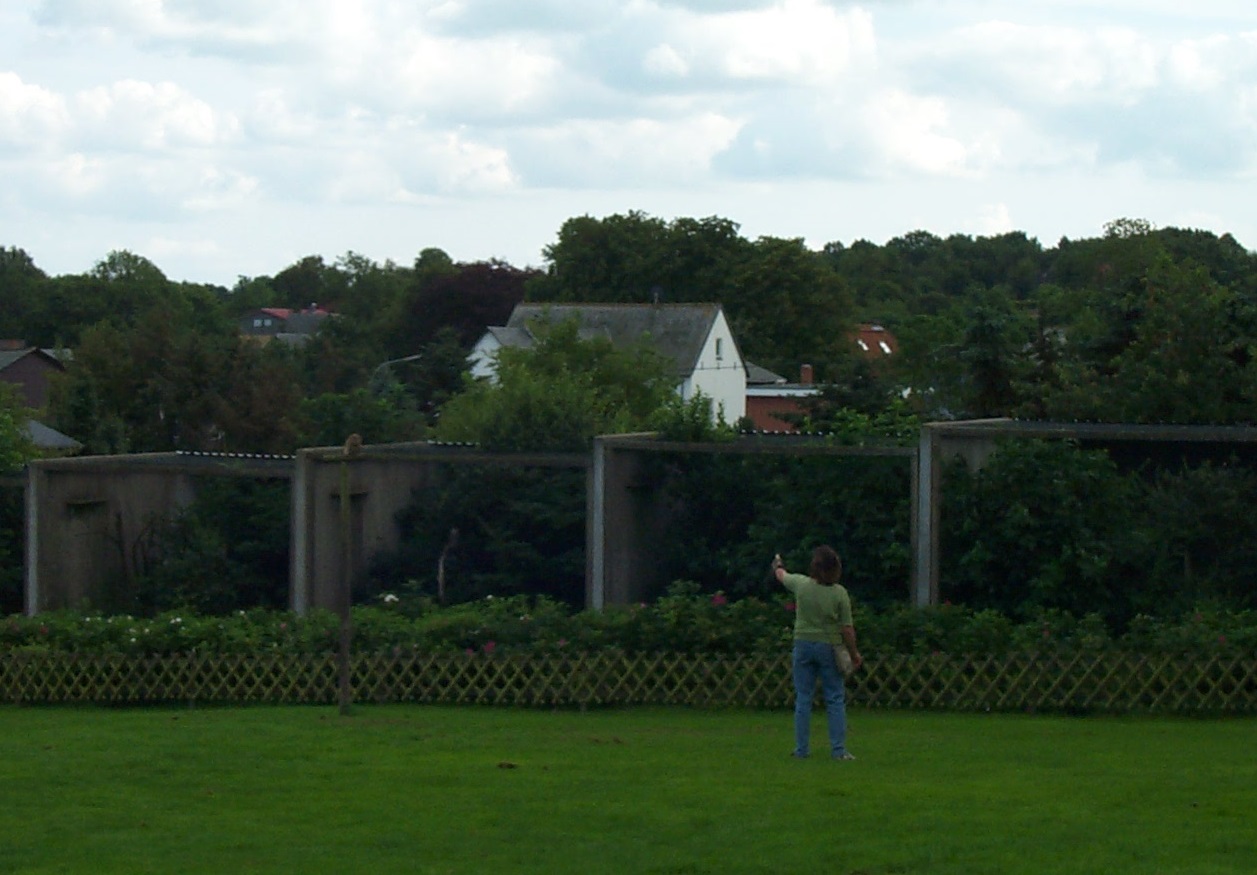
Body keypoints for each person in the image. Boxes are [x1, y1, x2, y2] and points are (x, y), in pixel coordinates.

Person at [773, 545, 862, 760]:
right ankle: (838, 750)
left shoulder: (802, 585)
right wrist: (854, 653)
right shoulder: (839, 593)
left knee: (803, 697)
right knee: (834, 697)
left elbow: (782, 576)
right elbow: (847, 629)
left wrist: (778, 564)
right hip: (828, 647)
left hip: (803, 644)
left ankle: (802, 749)